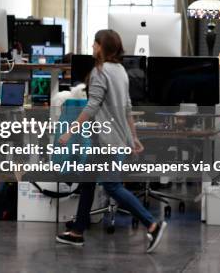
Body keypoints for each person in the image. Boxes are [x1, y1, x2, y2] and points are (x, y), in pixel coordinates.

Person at [55, 29, 167, 253]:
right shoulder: (120, 71)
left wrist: (69, 131)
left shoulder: (100, 71)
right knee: (87, 182)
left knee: (111, 185)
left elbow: (92, 105)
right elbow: (127, 107)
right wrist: (133, 137)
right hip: (112, 138)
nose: (93, 48)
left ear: (100, 47)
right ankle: (77, 232)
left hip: (106, 140)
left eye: (95, 44)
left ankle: (152, 224)